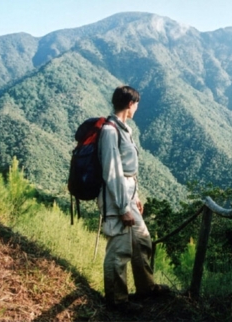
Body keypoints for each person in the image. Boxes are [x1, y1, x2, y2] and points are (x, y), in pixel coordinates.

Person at [98, 85, 169, 313]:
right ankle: (117, 301)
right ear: (130, 104)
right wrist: (122, 208)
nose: (137, 108)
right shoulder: (110, 131)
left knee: (142, 241)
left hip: (128, 195)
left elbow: (129, 171)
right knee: (119, 249)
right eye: (136, 104)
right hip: (116, 198)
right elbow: (112, 172)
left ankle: (146, 288)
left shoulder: (125, 129)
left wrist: (135, 196)